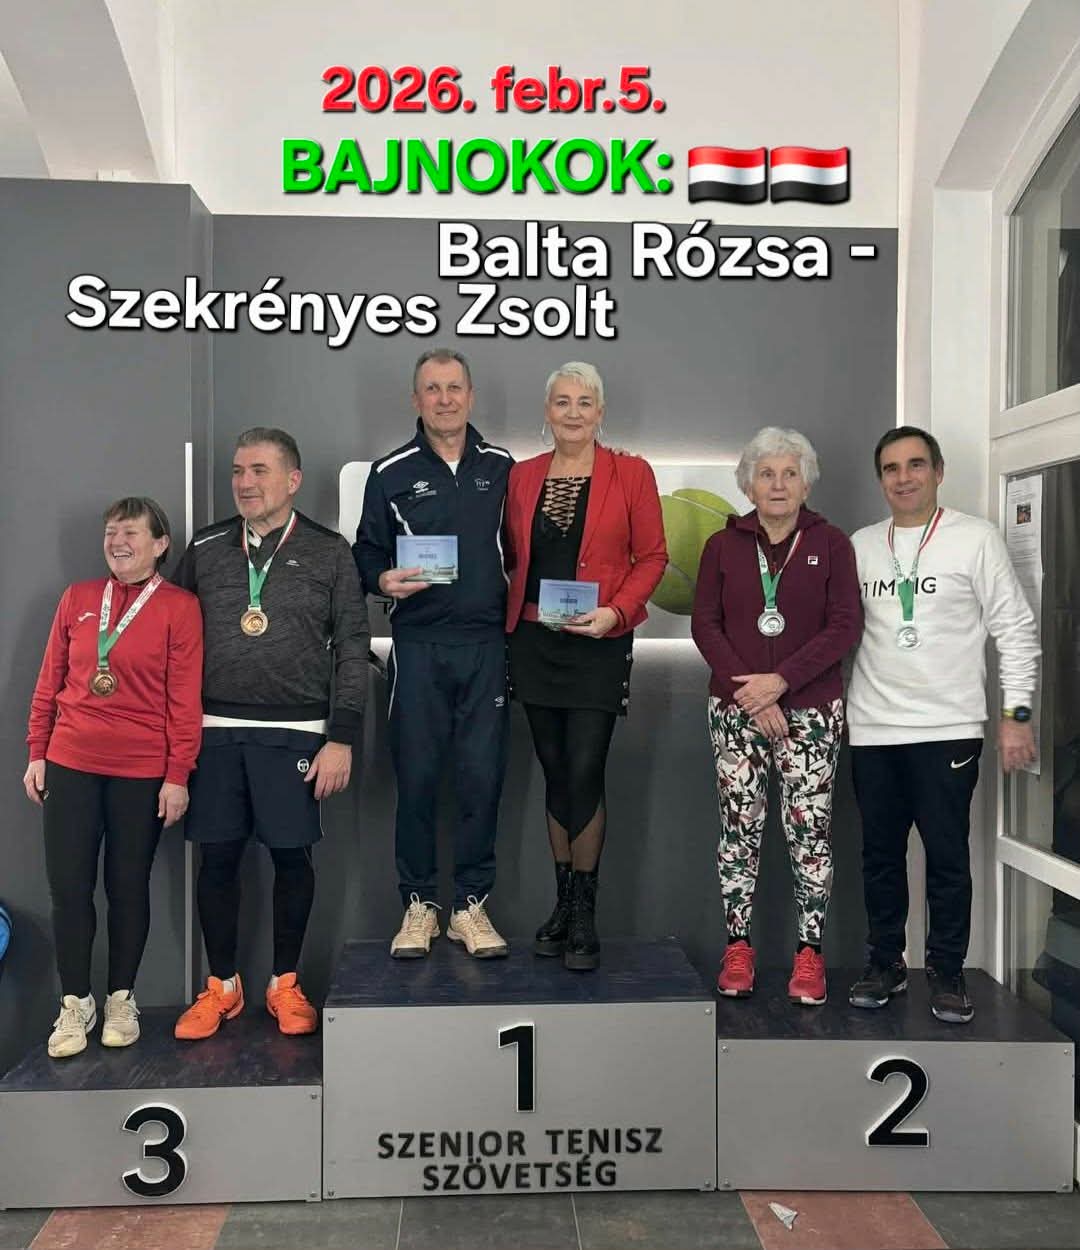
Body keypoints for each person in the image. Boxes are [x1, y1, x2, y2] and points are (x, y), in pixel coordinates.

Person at [173, 428, 370, 1039]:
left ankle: (285, 984)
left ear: (293, 480)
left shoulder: (329, 551)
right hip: (214, 730)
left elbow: (354, 646)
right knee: (217, 858)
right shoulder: (205, 546)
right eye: (238, 471)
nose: (244, 483)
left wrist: (342, 737)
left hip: (298, 732)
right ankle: (222, 986)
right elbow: (172, 640)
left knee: (291, 858)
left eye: (259, 470)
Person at [847, 426, 1039, 1023]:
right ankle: (885, 963)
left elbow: (1016, 630)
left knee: (948, 858)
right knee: (880, 857)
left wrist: (1017, 716)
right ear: (880, 479)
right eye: (891, 468)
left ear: (938, 471)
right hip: (873, 729)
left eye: (915, 465)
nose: (903, 478)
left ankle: (948, 972)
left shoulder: (974, 539)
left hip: (948, 729)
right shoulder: (860, 546)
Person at [24, 498, 202, 1057]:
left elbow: (185, 701)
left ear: (160, 543)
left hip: (141, 772)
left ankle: (121, 998)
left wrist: (178, 774)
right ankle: (75, 1003)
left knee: (127, 888)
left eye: (130, 532)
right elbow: (49, 681)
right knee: (69, 889)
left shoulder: (180, 607)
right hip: (70, 762)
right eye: (110, 532)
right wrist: (37, 751)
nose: (117, 542)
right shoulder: (78, 599)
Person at [505, 362, 667, 970]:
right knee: (554, 772)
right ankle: (562, 903)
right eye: (562, 402)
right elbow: (507, 555)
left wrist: (617, 613)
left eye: (584, 402)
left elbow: (653, 556)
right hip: (533, 641)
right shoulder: (521, 476)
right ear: (547, 411)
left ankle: (585, 915)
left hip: (598, 642)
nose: (573, 412)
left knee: (584, 769)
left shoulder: (632, 473)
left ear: (600, 412)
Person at [691, 428, 861, 1005]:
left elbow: (844, 625)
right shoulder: (722, 546)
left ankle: (809, 953)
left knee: (809, 834)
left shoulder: (831, 544)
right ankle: (738, 947)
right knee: (738, 830)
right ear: (749, 484)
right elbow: (705, 624)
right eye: (767, 474)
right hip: (736, 709)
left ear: (806, 483)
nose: (779, 484)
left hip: (810, 711)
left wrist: (781, 683)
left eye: (790, 473)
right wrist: (753, 694)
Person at [354, 349, 512, 959]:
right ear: (415, 399)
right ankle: (418, 905)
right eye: (432, 389)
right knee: (417, 779)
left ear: (470, 395)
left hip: (486, 646)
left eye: (454, 388)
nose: (444, 399)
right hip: (417, 648)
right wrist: (381, 579)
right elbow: (365, 552)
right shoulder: (389, 471)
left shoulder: (504, 468)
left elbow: (526, 550)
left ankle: (471, 907)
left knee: (481, 780)